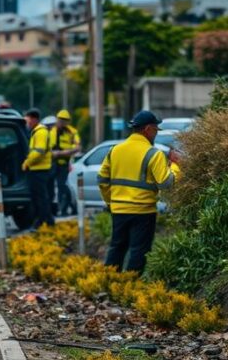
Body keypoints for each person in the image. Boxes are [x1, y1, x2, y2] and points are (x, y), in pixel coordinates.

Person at [99, 110, 181, 273]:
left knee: (117, 248)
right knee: (139, 251)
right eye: (156, 130)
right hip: (143, 212)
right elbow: (166, 183)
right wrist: (176, 166)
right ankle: (131, 286)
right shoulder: (153, 154)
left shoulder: (115, 150)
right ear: (148, 129)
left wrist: (110, 202)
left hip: (119, 210)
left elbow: (102, 179)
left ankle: (109, 283)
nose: (156, 134)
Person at [21, 108, 54, 229]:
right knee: (40, 197)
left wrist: (27, 162)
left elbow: (39, 152)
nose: (27, 123)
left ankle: (42, 222)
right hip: (38, 169)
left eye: (28, 120)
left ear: (34, 119)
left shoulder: (40, 132)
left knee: (40, 198)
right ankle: (47, 221)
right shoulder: (38, 131)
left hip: (39, 170)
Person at [50, 109, 82, 216]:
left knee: (61, 186)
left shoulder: (72, 132)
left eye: (64, 120)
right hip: (52, 163)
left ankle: (63, 209)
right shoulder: (52, 131)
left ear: (68, 121)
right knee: (53, 185)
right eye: (60, 120)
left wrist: (64, 153)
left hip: (63, 163)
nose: (62, 122)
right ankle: (64, 208)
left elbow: (78, 147)